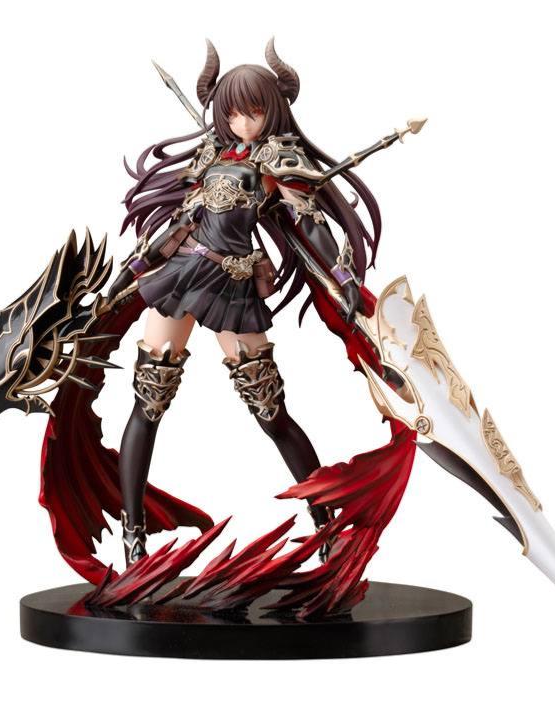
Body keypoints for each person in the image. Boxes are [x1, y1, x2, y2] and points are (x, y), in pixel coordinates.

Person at [105, 39, 380, 566]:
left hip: (231, 284)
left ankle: (327, 531)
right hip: (183, 273)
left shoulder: (279, 159)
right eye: (231, 112)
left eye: (252, 111)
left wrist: (344, 277)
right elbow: (181, 222)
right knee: (147, 400)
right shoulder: (211, 155)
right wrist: (132, 269)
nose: (241, 122)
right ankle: (133, 539)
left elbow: (311, 224)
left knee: (270, 410)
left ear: (272, 110)